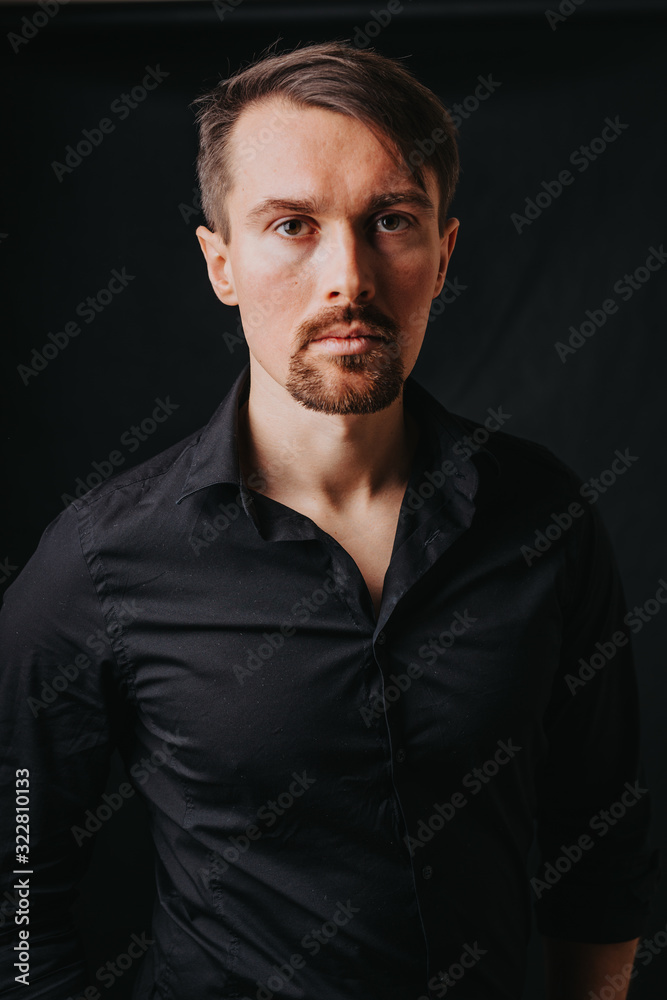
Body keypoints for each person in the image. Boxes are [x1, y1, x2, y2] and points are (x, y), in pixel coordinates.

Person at [0, 40, 660, 1000]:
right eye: (292, 226)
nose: (346, 277)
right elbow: (17, 869)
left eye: (390, 219)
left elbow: (601, 843)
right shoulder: (102, 558)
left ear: (443, 255)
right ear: (220, 262)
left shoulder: (540, 517)